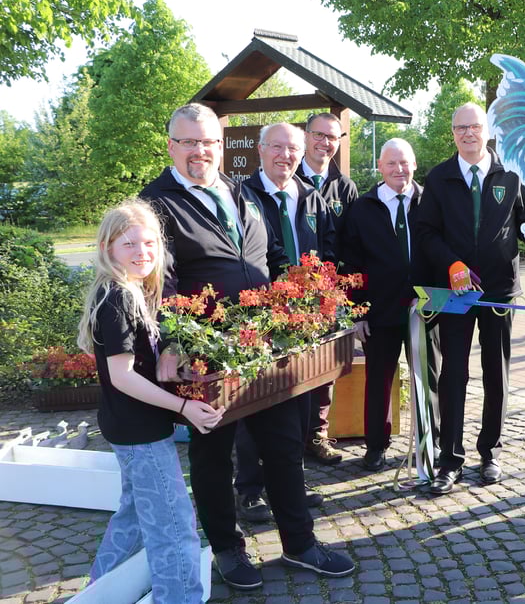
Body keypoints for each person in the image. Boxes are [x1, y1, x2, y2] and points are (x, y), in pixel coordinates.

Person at [140, 103, 355, 591]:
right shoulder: (156, 204)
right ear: (171, 145)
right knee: (214, 455)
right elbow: (159, 283)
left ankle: (299, 544)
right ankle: (227, 550)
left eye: (210, 141)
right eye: (190, 142)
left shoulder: (240, 191)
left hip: (267, 346)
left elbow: (270, 254)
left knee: (283, 446)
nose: (201, 151)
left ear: (221, 144)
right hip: (208, 357)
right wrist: (178, 343)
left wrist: (305, 295)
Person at [78, 199, 224, 604]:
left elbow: (140, 367)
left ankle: (97, 592)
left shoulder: (130, 291)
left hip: (129, 426)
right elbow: (121, 377)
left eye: (149, 244)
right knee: (174, 526)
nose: (143, 253)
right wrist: (183, 408)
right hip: (138, 430)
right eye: (130, 245)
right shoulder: (120, 297)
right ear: (108, 248)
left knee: (135, 516)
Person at [415, 102, 525, 495]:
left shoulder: (512, 175)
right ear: (453, 134)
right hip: (456, 294)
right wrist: (451, 263)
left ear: (488, 131)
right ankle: (450, 459)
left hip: (500, 291)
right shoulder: (439, 178)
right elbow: (426, 232)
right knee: (453, 374)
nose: (467, 133)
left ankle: (491, 451)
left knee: (495, 374)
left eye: (474, 127)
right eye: (459, 128)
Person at [233, 122, 338, 521]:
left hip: (306, 319)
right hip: (259, 314)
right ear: (260, 150)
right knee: (252, 402)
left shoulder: (310, 196)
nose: (286, 155)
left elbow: (328, 248)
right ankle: (249, 489)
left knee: (299, 400)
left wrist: (323, 296)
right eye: (277, 147)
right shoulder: (241, 195)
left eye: (292, 148)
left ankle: (291, 480)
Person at [341, 138, 440, 471]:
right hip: (378, 311)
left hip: (424, 309)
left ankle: (430, 443)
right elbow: (351, 263)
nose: (400, 170)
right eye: (392, 164)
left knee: (427, 378)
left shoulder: (429, 202)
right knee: (378, 380)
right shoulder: (363, 208)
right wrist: (357, 312)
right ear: (380, 167)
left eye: (405, 163)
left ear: (414, 164)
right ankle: (376, 447)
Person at [296, 111, 358, 465]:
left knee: (324, 368)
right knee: (289, 365)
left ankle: (316, 436)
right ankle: (290, 437)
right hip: (292, 292)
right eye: (319, 135)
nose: (325, 143)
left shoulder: (344, 187)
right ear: (306, 136)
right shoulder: (290, 177)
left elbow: (351, 241)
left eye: (332, 137)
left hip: (330, 294)